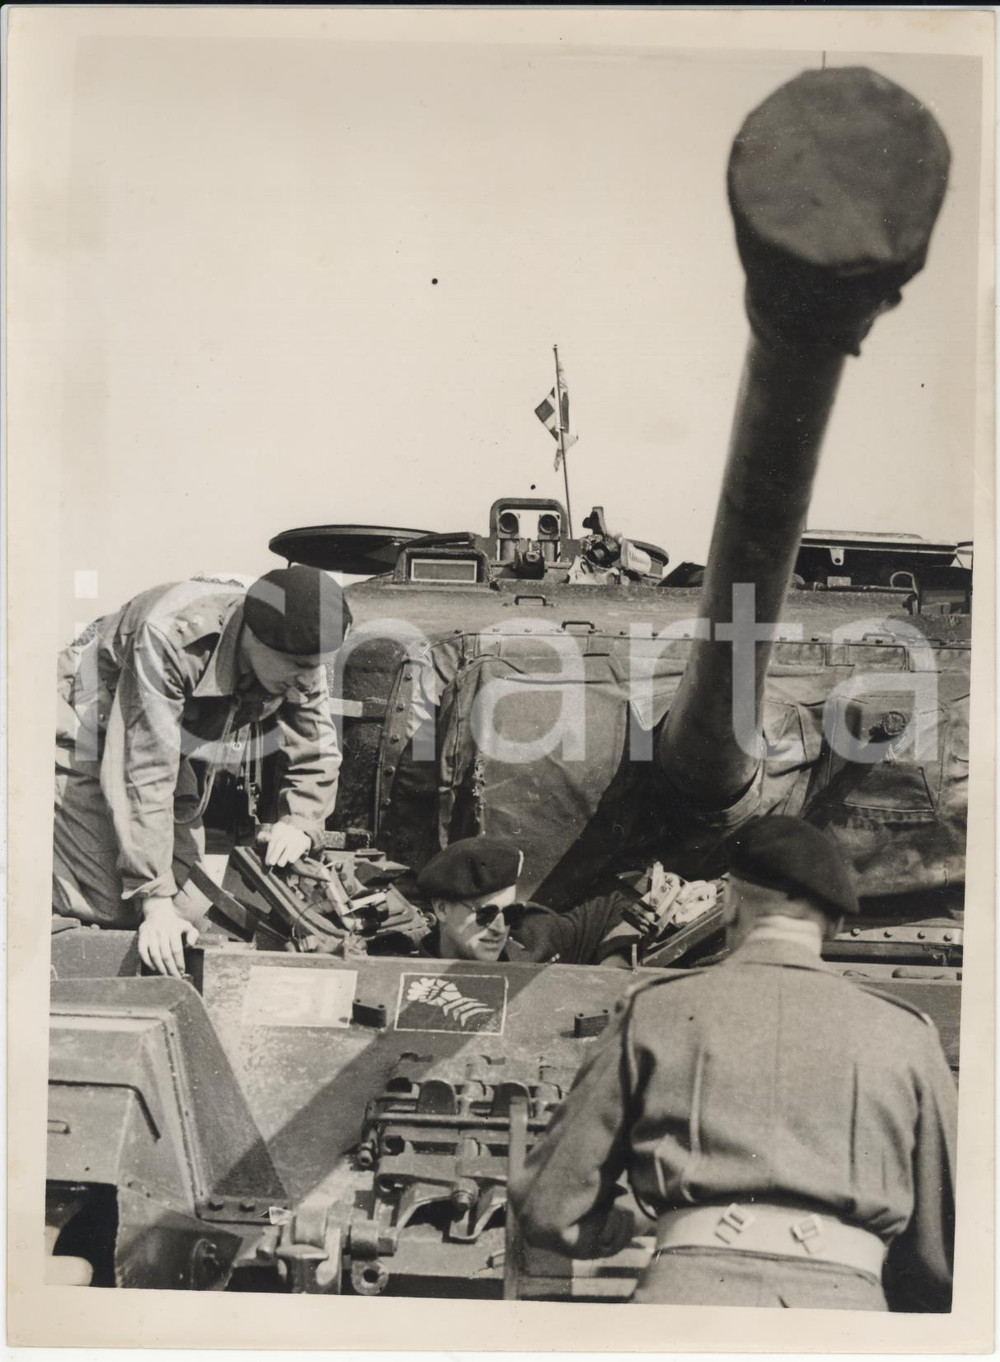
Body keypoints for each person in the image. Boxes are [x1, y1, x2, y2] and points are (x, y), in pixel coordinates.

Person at [508, 816, 957, 1312]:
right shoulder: (907, 1033)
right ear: (837, 923)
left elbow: (551, 1207)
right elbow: (941, 1254)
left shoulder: (653, 1009)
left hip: (686, 1300)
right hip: (843, 1309)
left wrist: (619, 1226)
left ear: (728, 904)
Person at [54, 566, 351, 978]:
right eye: (299, 666)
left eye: (314, 667)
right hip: (85, 723)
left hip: (169, 739)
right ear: (253, 637)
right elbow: (142, 771)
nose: (307, 678)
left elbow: (317, 746)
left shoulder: (300, 658)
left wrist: (299, 822)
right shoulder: (172, 637)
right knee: (117, 905)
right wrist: (153, 901)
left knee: (190, 901)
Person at [414, 837, 641, 966]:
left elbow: (616, 907)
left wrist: (614, 965)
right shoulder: (399, 968)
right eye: (486, 914)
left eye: (509, 913)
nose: (500, 929)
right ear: (442, 909)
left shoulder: (535, 941)